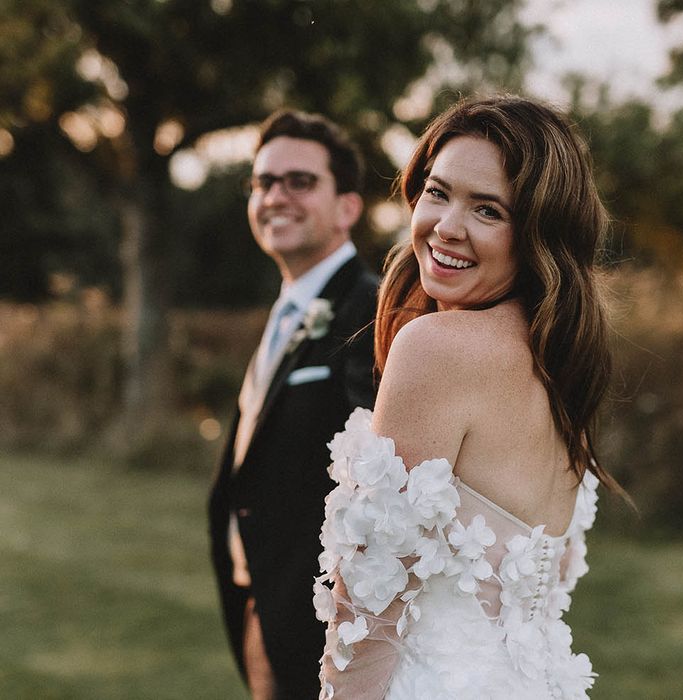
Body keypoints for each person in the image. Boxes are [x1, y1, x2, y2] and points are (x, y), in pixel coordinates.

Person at [313, 95, 625, 699]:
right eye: (437, 192)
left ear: (536, 232)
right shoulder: (563, 367)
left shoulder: (435, 349)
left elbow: (370, 610)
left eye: (487, 209)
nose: (446, 226)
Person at [208, 109, 378, 699]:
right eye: (263, 182)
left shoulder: (371, 312)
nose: (275, 196)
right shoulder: (288, 311)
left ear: (347, 207)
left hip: (319, 625)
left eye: (300, 181)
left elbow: (380, 481)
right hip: (261, 603)